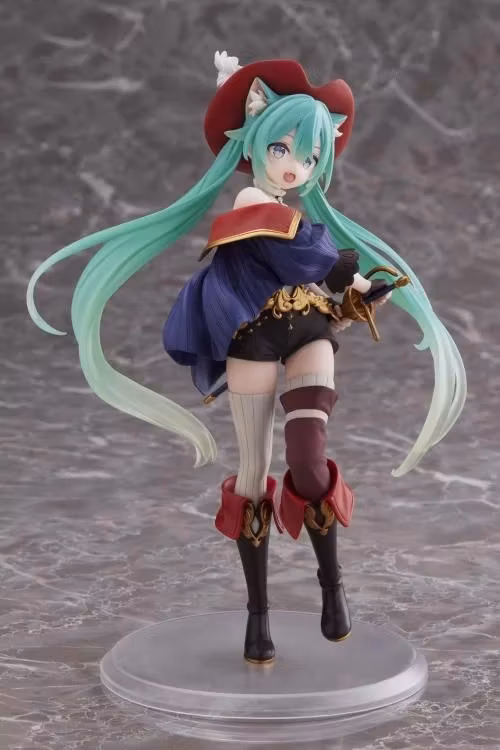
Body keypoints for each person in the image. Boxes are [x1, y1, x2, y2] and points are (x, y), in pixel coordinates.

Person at [26, 51, 467, 666]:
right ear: (254, 141)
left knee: (308, 459)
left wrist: (359, 296)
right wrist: (355, 275)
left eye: (309, 157)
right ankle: (259, 614)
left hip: (307, 330)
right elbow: (306, 256)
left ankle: (332, 584)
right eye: (282, 148)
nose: (294, 166)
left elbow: (319, 275)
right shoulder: (251, 204)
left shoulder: (295, 218)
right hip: (252, 337)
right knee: (255, 474)